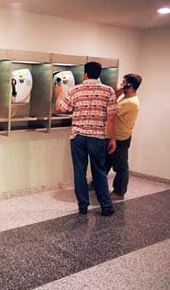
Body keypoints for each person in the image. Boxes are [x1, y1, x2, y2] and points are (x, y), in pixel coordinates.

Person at [55, 61, 117, 216]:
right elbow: (111, 119)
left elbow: (61, 108)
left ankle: (83, 205)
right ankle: (106, 206)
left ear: (85, 74)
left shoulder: (75, 90)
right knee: (99, 172)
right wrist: (112, 139)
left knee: (79, 171)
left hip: (78, 137)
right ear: (99, 74)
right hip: (98, 137)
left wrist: (58, 94)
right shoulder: (108, 91)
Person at [107, 74, 141, 200]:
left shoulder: (130, 102)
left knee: (121, 166)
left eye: (124, 82)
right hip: (114, 136)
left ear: (129, 85)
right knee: (105, 162)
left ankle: (119, 191)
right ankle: (97, 184)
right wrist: (120, 91)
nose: (121, 84)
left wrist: (119, 91)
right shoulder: (125, 97)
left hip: (120, 138)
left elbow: (109, 109)